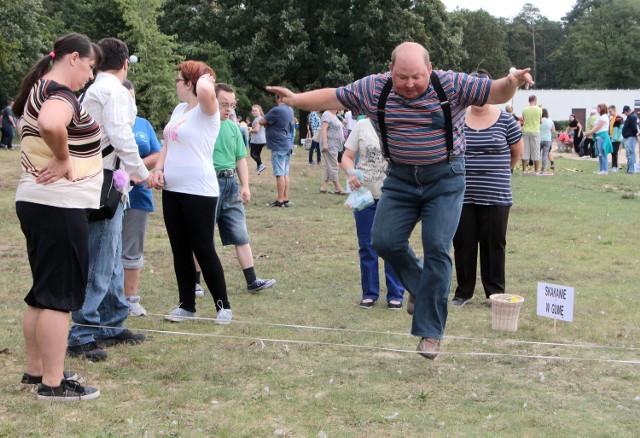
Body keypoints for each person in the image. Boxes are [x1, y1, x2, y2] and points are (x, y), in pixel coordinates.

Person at [267, 41, 533, 359]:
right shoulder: (374, 88)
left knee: (437, 246)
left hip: (446, 179)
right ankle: (421, 287)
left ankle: (430, 333)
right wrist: (296, 99)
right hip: (401, 178)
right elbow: (334, 95)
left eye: (416, 76)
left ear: (430, 70)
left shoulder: (451, 83)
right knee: (383, 240)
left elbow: (495, 91)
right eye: (402, 76)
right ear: (390, 70)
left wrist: (513, 81)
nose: (409, 84)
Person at [14, 33, 102, 400]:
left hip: (37, 200)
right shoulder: (60, 94)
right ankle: (53, 383)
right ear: (72, 58)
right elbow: (52, 124)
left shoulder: (39, 87)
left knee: (42, 292)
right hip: (58, 204)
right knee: (58, 296)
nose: (90, 76)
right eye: (90, 66)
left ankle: (37, 371)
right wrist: (65, 158)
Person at [67, 38, 152, 362]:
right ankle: (82, 331)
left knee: (112, 255)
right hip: (102, 181)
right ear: (125, 63)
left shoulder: (94, 90)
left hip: (105, 180)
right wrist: (143, 172)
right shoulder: (113, 91)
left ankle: (112, 322)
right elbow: (120, 135)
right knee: (100, 259)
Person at [152, 60, 233, 324]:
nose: (175, 83)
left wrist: (203, 76)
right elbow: (167, 143)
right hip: (172, 189)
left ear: (190, 82)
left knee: (202, 247)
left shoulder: (207, 110)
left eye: (179, 79)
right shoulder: (179, 110)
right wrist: (159, 168)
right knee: (180, 249)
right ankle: (187, 305)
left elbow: (208, 92)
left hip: (199, 190)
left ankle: (223, 306)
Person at [451, 69, 524, 307]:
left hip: (496, 196)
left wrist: (495, 172)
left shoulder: (506, 120)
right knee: (463, 243)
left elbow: (516, 153)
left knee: (494, 245)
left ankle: (494, 294)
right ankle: (463, 293)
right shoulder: (457, 118)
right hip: (462, 195)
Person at [213, 83, 276, 292]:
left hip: (230, 184)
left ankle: (252, 281)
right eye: (224, 104)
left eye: (231, 105)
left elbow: (240, 158)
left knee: (241, 234)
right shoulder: (204, 125)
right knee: (203, 236)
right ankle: (194, 285)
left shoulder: (232, 127)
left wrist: (246, 186)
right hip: (209, 183)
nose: (229, 109)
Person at [341, 118, 404, 309]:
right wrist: (351, 174)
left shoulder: (401, 122)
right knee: (366, 245)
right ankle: (369, 293)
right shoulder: (362, 126)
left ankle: (396, 293)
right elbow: (346, 156)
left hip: (394, 194)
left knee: (392, 245)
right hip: (364, 195)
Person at [120, 80, 161, 317]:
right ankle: (110, 297)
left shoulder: (143, 125)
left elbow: (157, 154)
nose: (130, 102)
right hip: (109, 196)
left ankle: (131, 299)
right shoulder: (107, 122)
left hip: (139, 197)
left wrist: (135, 170)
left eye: (132, 97)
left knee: (133, 248)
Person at [259, 94, 294, 207]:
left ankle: (280, 200)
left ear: (278, 97)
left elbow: (261, 121)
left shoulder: (277, 110)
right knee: (285, 173)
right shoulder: (290, 109)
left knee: (279, 174)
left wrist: (268, 124)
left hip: (278, 145)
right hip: (287, 143)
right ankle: (285, 198)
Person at [318, 109, 347, 194]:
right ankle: (338, 187)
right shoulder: (327, 114)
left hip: (336, 145)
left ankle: (324, 186)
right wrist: (325, 144)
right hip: (330, 144)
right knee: (334, 165)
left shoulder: (335, 115)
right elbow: (323, 129)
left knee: (329, 166)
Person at [585, 103, 612, 174]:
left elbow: (598, 127)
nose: (596, 109)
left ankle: (605, 170)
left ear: (601, 109)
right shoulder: (601, 117)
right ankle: (601, 169)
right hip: (598, 136)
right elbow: (595, 127)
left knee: (603, 153)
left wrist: (589, 133)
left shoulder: (604, 117)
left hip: (602, 136)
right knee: (600, 154)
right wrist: (590, 132)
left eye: (597, 108)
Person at [521, 95, 542, 174]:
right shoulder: (539, 109)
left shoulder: (524, 109)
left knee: (525, 151)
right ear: (535, 100)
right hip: (535, 131)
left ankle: (524, 170)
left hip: (526, 131)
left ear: (529, 100)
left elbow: (523, 120)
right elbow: (540, 121)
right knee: (536, 151)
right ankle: (536, 171)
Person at [248, 104, 267, 173]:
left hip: (257, 140)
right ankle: (259, 167)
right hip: (262, 140)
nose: (253, 112)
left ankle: (261, 165)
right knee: (257, 154)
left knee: (253, 154)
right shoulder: (261, 118)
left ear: (259, 111)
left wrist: (250, 130)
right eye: (253, 111)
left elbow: (256, 130)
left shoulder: (257, 119)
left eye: (255, 111)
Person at [622, 105, 638, 174]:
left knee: (631, 153)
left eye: (624, 112)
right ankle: (630, 169)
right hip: (628, 137)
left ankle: (632, 170)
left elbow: (635, 128)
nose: (624, 114)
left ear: (626, 111)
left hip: (631, 137)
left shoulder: (632, 117)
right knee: (629, 154)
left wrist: (635, 135)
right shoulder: (630, 116)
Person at [539, 108, 556, 175]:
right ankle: (543, 169)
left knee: (537, 154)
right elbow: (553, 131)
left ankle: (536, 168)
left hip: (539, 139)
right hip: (547, 139)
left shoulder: (539, 120)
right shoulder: (550, 121)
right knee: (545, 155)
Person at [608, 105, 623, 172]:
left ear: (614, 110)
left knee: (615, 152)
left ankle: (615, 167)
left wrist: (617, 136)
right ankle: (613, 166)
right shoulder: (612, 118)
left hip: (616, 139)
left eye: (610, 111)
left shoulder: (619, 117)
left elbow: (621, 128)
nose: (609, 113)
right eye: (608, 111)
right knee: (612, 152)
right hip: (612, 138)